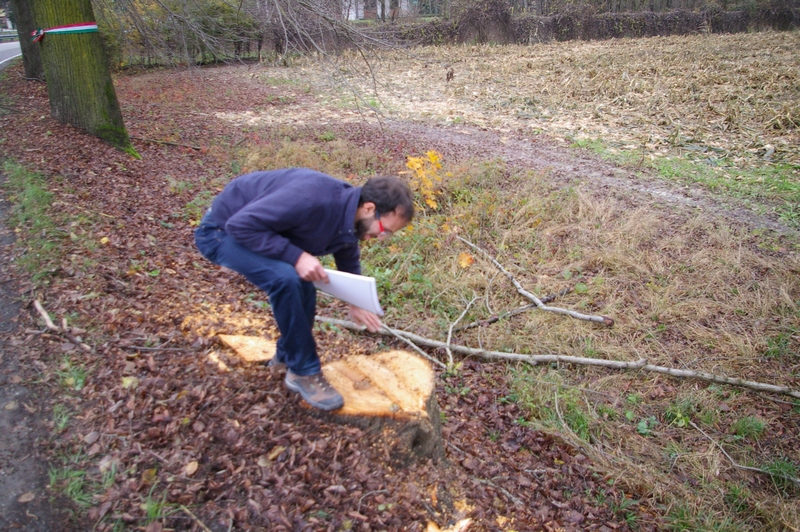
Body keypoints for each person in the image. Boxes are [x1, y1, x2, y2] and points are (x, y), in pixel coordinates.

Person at [194, 168, 414, 411]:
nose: (382, 238)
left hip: (255, 230)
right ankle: (302, 371)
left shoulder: (350, 213)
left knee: (302, 279)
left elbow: (347, 254)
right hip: (220, 231)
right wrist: (297, 256)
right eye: (385, 231)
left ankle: (287, 356)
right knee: (286, 278)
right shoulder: (312, 199)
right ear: (370, 208)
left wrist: (355, 300)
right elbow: (240, 225)